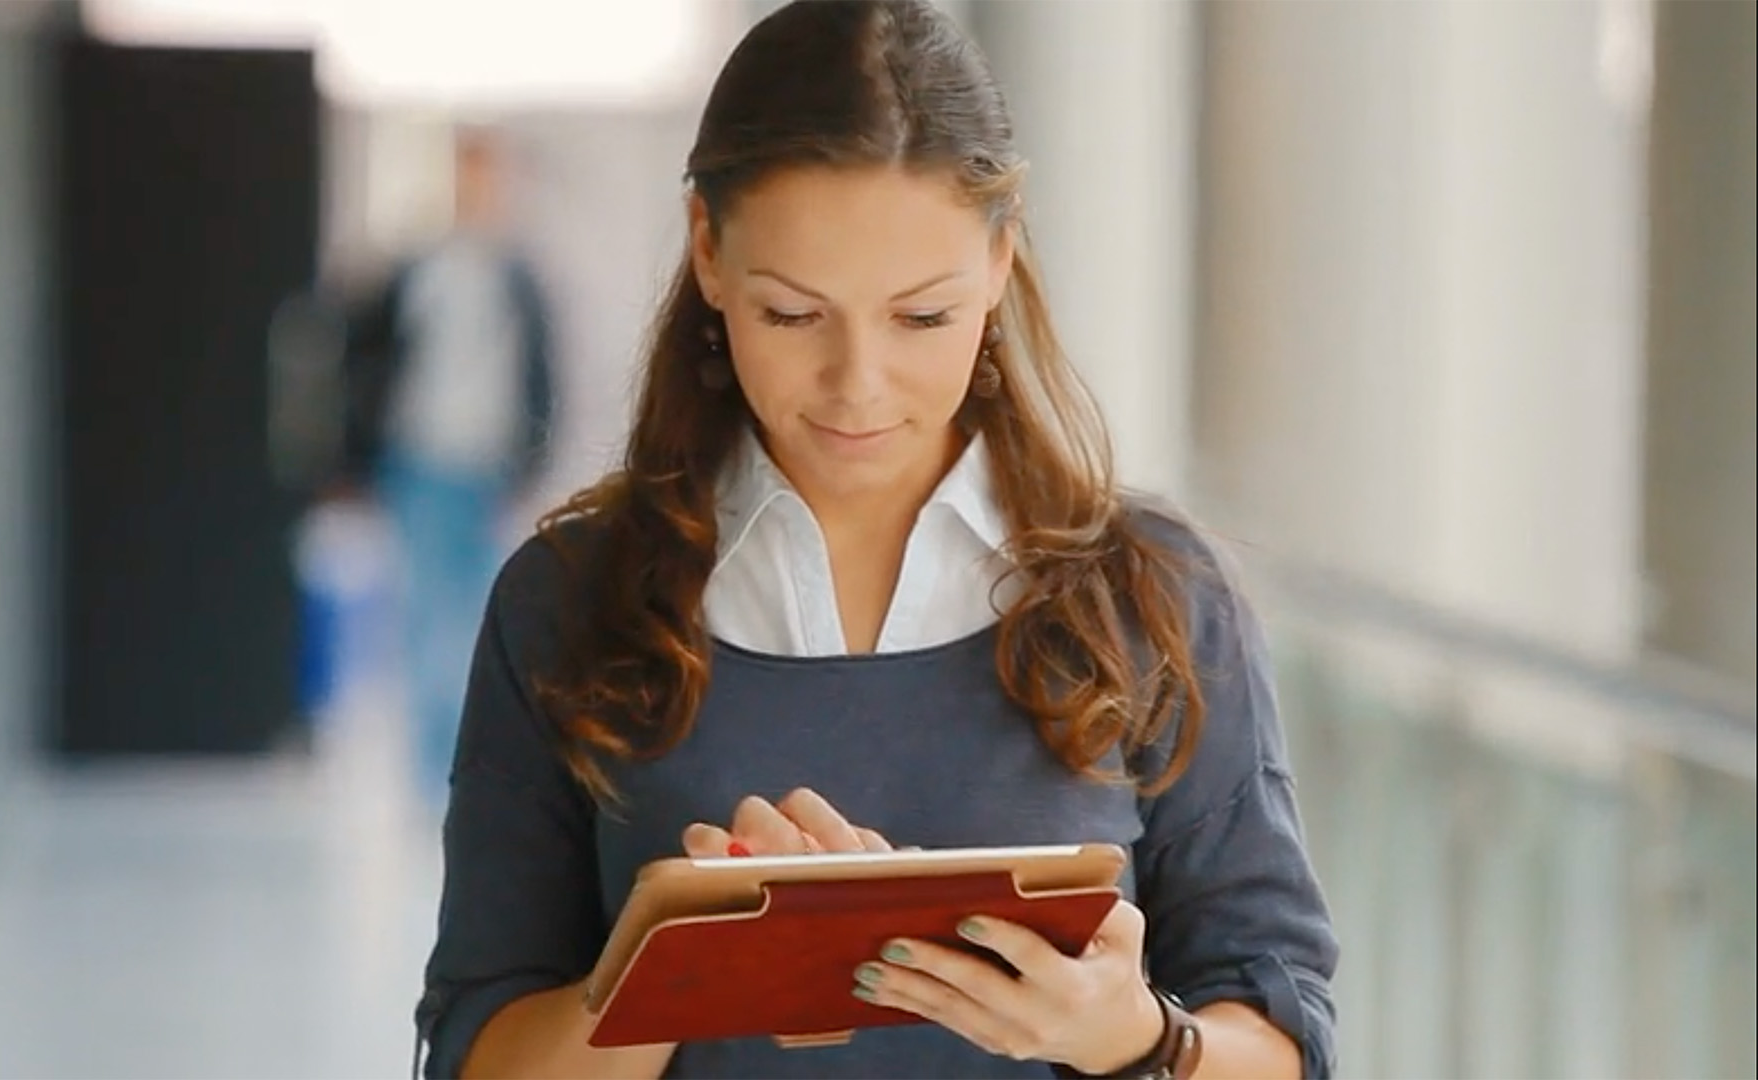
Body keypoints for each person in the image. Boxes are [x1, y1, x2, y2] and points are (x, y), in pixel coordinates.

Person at [414, 3, 1337, 1077]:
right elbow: (476, 1053)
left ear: (1000, 257)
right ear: (709, 252)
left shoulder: (1156, 595)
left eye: (922, 318)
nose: (858, 386)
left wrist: (1135, 1039)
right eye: (794, 316)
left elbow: (1284, 1042)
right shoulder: (564, 601)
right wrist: (672, 967)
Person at [340, 125, 558, 808]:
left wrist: (528, 465)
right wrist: (357, 460)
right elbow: (367, 364)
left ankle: (470, 765)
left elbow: (541, 379)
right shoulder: (416, 270)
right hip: (419, 462)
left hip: (486, 469)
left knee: (477, 617)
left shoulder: (518, 278)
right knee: (425, 616)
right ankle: (430, 776)